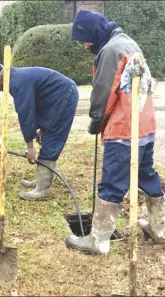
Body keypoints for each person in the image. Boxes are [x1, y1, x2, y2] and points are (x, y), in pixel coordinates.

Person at [66, 10, 164, 254]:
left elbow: (104, 91)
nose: (85, 44)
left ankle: (98, 241)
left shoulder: (110, 50)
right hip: (145, 124)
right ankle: (160, 228)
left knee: (111, 182)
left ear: (94, 33)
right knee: (146, 174)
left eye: (85, 39)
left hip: (123, 128)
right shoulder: (129, 42)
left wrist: (96, 121)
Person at [0, 62, 79, 201]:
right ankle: (41, 180)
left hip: (65, 96)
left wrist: (30, 146)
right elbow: (35, 104)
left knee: (52, 137)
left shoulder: (17, 83)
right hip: (54, 99)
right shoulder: (14, 77)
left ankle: (42, 190)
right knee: (46, 135)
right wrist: (42, 128)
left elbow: (26, 113)